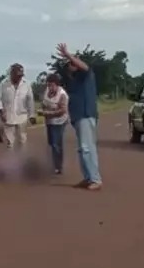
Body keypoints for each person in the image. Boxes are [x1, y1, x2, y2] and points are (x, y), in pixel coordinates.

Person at [57, 43, 102, 190]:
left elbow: (84, 66)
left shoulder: (85, 75)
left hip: (85, 114)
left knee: (87, 148)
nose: (68, 67)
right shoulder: (74, 81)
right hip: (78, 117)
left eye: (70, 64)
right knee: (82, 149)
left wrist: (68, 55)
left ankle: (95, 179)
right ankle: (88, 177)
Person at [0, 63, 36, 152]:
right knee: (10, 143)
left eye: (21, 76)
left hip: (22, 116)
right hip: (8, 116)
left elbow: (30, 101)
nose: (19, 78)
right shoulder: (3, 84)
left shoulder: (26, 84)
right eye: (17, 76)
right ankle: (11, 161)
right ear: (12, 74)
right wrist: (1, 112)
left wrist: (32, 115)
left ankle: (22, 160)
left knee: (22, 140)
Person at [41, 73, 69, 175]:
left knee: (56, 144)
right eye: (48, 85)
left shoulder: (62, 95)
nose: (50, 87)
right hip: (49, 121)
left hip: (59, 121)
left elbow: (63, 110)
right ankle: (54, 163)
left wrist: (49, 113)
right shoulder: (47, 91)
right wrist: (43, 110)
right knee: (51, 142)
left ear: (57, 85)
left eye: (52, 85)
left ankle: (58, 166)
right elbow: (43, 103)